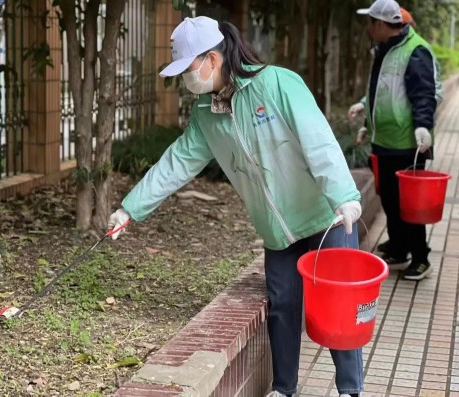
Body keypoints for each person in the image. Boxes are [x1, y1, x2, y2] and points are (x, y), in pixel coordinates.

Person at [108, 15, 364, 397]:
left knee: (340, 305)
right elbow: (176, 163)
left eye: (189, 69)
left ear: (212, 59)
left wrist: (344, 195)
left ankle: (350, 390)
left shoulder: (276, 84)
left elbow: (318, 139)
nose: (186, 80)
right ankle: (283, 389)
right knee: (282, 308)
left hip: (326, 218)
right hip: (277, 231)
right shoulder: (205, 115)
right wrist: (130, 209)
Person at [352, 0, 442, 280]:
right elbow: (385, 90)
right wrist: (367, 114)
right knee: (390, 199)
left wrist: (424, 127)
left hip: (407, 144)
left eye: (370, 22)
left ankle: (421, 258)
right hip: (385, 141)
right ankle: (399, 248)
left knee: (409, 204)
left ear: (380, 24)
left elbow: (424, 94)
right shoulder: (386, 49)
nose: (368, 27)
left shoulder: (415, 51)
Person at [347, 7, 416, 119]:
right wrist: (364, 104)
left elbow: (427, 95)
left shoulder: (415, 54)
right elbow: (384, 88)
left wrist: (420, 125)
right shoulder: (384, 52)